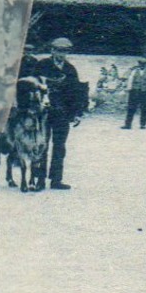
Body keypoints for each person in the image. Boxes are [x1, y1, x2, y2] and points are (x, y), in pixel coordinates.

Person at [34, 37, 87, 190]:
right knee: (42, 146)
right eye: (58, 50)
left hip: (62, 114)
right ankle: (40, 180)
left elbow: (76, 93)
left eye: (65, 51)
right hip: (43, 112)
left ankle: (56, 180)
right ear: (52, 50)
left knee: (60, 147)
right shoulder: (42, 65)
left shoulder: (70, 70)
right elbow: (33, 85)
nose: (61, 54)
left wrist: (77, 113)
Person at [122, 55, 146, 130]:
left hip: (145, 93)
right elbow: (130, 81)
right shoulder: (134, 71)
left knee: (144, 109)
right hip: (134, 92)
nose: (142, 65)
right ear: (138, 64)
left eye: (143, 64)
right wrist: (128, 89)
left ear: (145, 65)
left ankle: (143, 125)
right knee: (131, 108)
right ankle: (128, 124)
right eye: (140, 63)